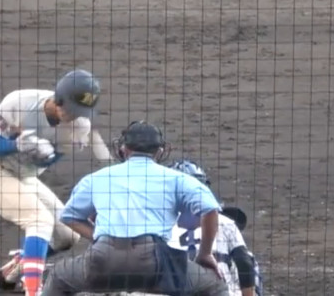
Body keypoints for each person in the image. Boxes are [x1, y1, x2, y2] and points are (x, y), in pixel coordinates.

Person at [41, 121, 231, 296]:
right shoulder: (176, 178)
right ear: (159, 151)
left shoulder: (97, 178)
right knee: (215, 286)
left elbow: (69, 216)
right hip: (154, 265)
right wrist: (205, 253)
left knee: (59, 277)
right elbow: (209, 209)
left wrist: (99, 236)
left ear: (123, 149)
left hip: (103, 260)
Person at [0, 68, 113, 296]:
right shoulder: (19, 102)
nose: (76, 115)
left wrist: (45, 154)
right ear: (59, 98)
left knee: (68, 234)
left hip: (24, 177)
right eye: (73, 109)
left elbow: (52, 158)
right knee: (39, 220)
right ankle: (33, 291)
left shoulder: (79, 127)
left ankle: (11, 272)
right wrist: (16, 145)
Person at [166, 159, 264, 296]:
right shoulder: (223, 221)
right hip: (221, 291)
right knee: (249, 260)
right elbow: (244, 263)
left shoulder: (159, 225)